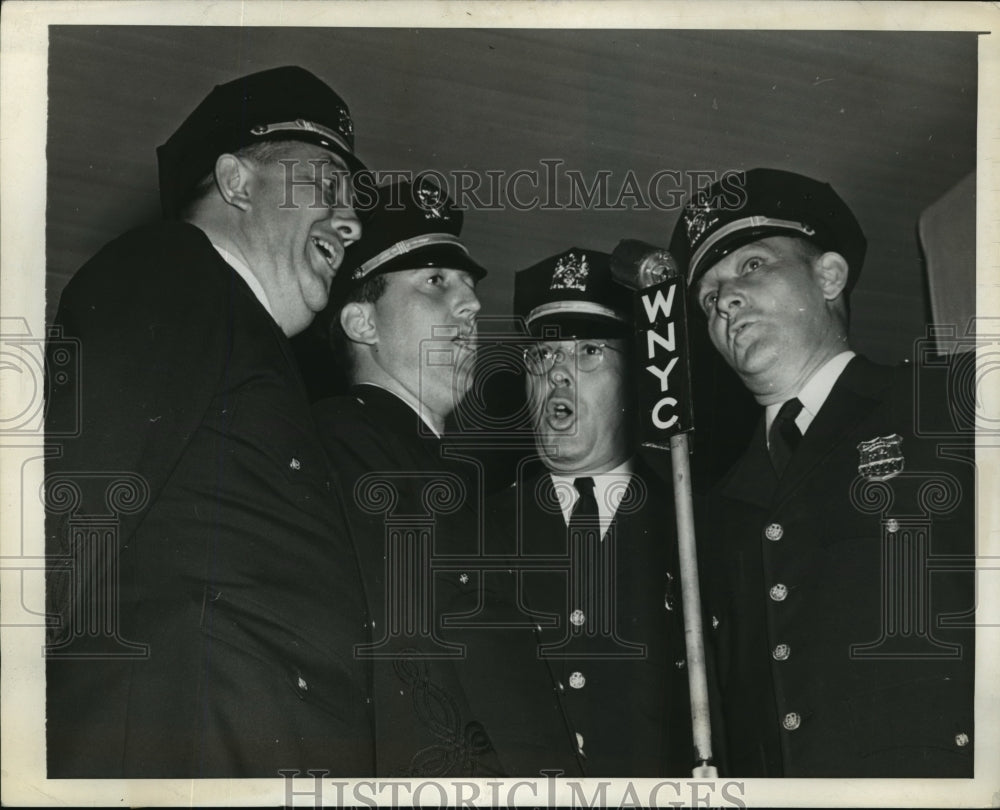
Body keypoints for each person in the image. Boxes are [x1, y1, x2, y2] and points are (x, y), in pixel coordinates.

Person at [44, 66, 374, 777]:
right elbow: (67, 506)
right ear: (237, 182)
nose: (352, 219)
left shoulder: (262, 355)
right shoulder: (174, 270)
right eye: (325, 182)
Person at [671, 167, 975, 777]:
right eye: (708, 297)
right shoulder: (715, 506)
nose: (725, 298)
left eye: (751, 266)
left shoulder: (946, 405)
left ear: (828, 275)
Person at [312, 179, 505, 777]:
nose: (471, 305)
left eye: (469, 288)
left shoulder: (439, 470)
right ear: (362, 323)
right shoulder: (336, 449)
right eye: (436, 283)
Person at [484, 248, 693, 776]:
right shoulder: (474, 530)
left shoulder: (691, 527)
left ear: (636, 383)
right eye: (543, 357)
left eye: (590, 352)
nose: (558, 375)